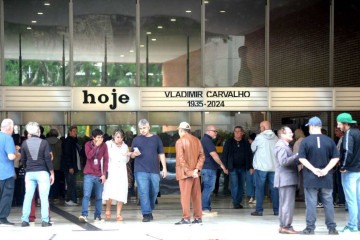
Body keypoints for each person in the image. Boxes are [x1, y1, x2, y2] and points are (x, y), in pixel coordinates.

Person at [298, 116, 339, 235]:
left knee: (311, 203)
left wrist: (314, 169)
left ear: (311, 126)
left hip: (311, 177)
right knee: (328, 202)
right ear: (320, 127)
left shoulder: (305, 141)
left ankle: (310, 228)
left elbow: (302, 158)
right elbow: (336, 157)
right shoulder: (329, 140)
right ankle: (332, 228)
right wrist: (325, 169)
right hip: (326, 177)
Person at [130, 119, 168, 222]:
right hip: (140, 169)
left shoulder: (156, 138)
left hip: (154, 170)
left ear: (149, 127)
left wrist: (164, 168)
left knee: (154, 190)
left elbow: (161, 153)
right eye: (140, 128)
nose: (142, 130)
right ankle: (146, 214)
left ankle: (149, 209)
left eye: (144, 128)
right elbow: (132, 155)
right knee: (143, 191)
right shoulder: (136, 140)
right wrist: (134, 154)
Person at [20, 122, 54, 227]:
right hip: (42, 173)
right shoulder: (44, 143)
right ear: (38, 132)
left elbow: (23, 159)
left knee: (28, 196)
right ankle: (45, 221)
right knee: (43, 197)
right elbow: (48, 159)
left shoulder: (24, 143)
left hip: (29, 173)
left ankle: (25, 220)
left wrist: (28, 168)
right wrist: (52, 172)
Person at [174, 122, 205, 225]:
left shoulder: (179, 141)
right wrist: (196, 169)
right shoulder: (197, 140)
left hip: (185, 174)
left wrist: (190, 172)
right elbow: (202, 156)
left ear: (181, 130)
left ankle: (186, 218)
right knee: (196, 196)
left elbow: (181, 159)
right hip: (195, 174)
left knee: (185, 196)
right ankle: (198, 218)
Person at [336, 113, 360, 233]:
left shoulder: (349, 134)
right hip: (359, 171)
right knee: (358, 199)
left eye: (339, 123)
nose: (338, 126)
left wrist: (343, 166)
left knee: (351, 200)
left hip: (349, 171)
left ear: (345, 124)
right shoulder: (358, 132)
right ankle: (358, 225)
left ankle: (352, 225)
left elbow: (347, 151)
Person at [79, 129, 109, 223]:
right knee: (86, 195)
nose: (101, 139)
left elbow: (106, 160)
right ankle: (84, 215)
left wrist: (104, 174)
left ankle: (98, 216)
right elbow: (89, 156)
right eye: (98, 137)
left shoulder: (104, 145)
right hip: (89, 174)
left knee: (99, 197)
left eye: (102, 137)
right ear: (93, 138)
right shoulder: (88, 144)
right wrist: (96, 146)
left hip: (99, 174)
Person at [274, 126, 299, 234]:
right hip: (286, 179)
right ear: (282, 134)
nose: (292, 134)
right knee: (287, 204)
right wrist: (297, 156)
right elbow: (283, 161)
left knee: (285, 204)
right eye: (289, 132)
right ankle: (286, 226)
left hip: (286, 179)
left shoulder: (284, 145)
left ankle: (283, 225)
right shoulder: (281, 146)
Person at [250, 120, 279, 216]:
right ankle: (276, 210)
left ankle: (259, 210)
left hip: (261, 166)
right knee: (274, 189)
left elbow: (252, 148)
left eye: (260, 127)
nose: (259, 129)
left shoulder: (259, 137)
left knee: (259, 189)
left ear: (263, 127)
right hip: (273, 167)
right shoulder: (276, 137)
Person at [222, 126, 252, 209]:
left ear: (242, 133)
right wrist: (225, 167)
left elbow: (250, 155)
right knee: (234, 185)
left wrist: (250, 167)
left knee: (241, 185)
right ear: (234, 132)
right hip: (232, 168)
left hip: (243, 168)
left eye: (239, 131)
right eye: (235, 131)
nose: (237, 133)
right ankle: (235, 202)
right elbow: (225, 155)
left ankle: (238, 201)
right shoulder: (229, 142)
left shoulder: (246, 143)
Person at [200, 125, 228, 216]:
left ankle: (206, 207)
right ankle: (204, 208)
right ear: (208, 131)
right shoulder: (207, 141)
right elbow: (214, 155)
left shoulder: (205, 140)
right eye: (214, 131)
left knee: (207, 188)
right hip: (208, 168)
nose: (216, 133)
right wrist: (222, 165)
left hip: (207, 168)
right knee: (208, 188)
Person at [103, 129, 130, 221]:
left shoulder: (125, 146)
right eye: (117, 137)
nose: (119, 139)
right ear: (113, 136)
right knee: (109, 189)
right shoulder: (108, 144)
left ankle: (118, 213)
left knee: (122, 190)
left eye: (121, 137)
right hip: (111, 170)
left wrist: (127, 155)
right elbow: (104, 158)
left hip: (121, 170)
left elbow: (127, 160)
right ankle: (108, 209)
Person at [0, 119, 19, 226]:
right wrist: (17, 153)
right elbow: (11, 156)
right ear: (9, 128)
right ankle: (2, 217)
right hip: (6, 173)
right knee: (6, 196)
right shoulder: (8, 138)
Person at [62, 125, 81, 206]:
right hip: (69, 167)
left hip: (73, 165)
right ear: (69, 132)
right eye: (74, 131)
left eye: (76, 131)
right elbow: (67, 155)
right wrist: (70, 166)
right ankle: (69, 199)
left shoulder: (73, 141)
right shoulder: (68, 142)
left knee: (72, 182)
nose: (75, 133)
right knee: (70, 183)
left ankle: (73, 199)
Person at [46, 128, 64, 202]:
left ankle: (49, 195)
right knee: (56, 181)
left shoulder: (45, 141)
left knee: (47, 181)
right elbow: (61, 153)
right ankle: (56, 196)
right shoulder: (59, 142)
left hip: (47, 164)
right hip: (57, 164)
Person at [333, 127, 345, 207]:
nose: (335, 133)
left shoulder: (343, 139)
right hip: (338, 164)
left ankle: (342, 200)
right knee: (339, 182)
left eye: (337, 131)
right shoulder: (340, 139)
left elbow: (341, 153)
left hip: (340, 164)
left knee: (341, 183)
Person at [293, 128, 305, 201]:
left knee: (301, 181)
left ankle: (302, 195)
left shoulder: (297, 142)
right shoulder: (306, 140)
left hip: (301, 165)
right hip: (307, 165)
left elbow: (295, 155)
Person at [247, 132, 256, 204]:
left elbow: (251, 158)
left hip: (252, 167)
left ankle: (252, 197)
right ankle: (254, 197)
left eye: (249, 139)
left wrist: (251, 167)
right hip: (256, 167)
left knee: (251, 182)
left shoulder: (252, 146)